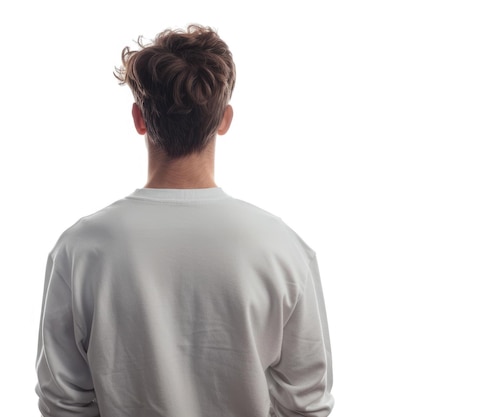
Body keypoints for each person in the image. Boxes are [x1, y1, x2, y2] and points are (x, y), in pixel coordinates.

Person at [35, 24, 334, 417]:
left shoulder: (81, 248)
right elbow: (307, 404)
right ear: (224, 120)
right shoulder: (281, 247)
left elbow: (62, 402)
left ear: (139, 118)